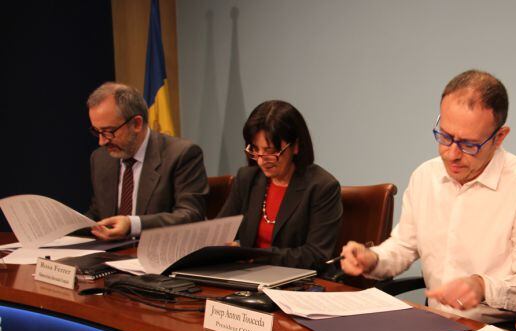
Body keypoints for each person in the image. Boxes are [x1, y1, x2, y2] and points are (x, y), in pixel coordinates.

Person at [340, 70, 516, 323]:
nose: (451, 154)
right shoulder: (425, 176)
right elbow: (403, 246)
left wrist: (482, 287)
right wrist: (372, 259)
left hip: (501, 329)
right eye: (445, 137)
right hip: (435, 321)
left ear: (499, 137)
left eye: (468, 144)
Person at [217, 100, 342, 271]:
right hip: (247, 276)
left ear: (295, 146)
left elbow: (316, 255)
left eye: (270, 151)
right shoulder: (247, 178)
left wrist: (253, 256)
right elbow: (220, 232)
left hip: (296, 279)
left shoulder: (322, 186)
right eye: (255, 150)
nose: (261, 161)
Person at [86, 82, 209, 240]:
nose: (102, 141)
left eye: (109, 131)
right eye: (97, 131)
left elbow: (191, 215)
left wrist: (133, 224)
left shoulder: (181, 154)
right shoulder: (101, 158)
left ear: (136, 124)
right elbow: (98, 214)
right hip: (110, 252)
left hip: (159, 250)